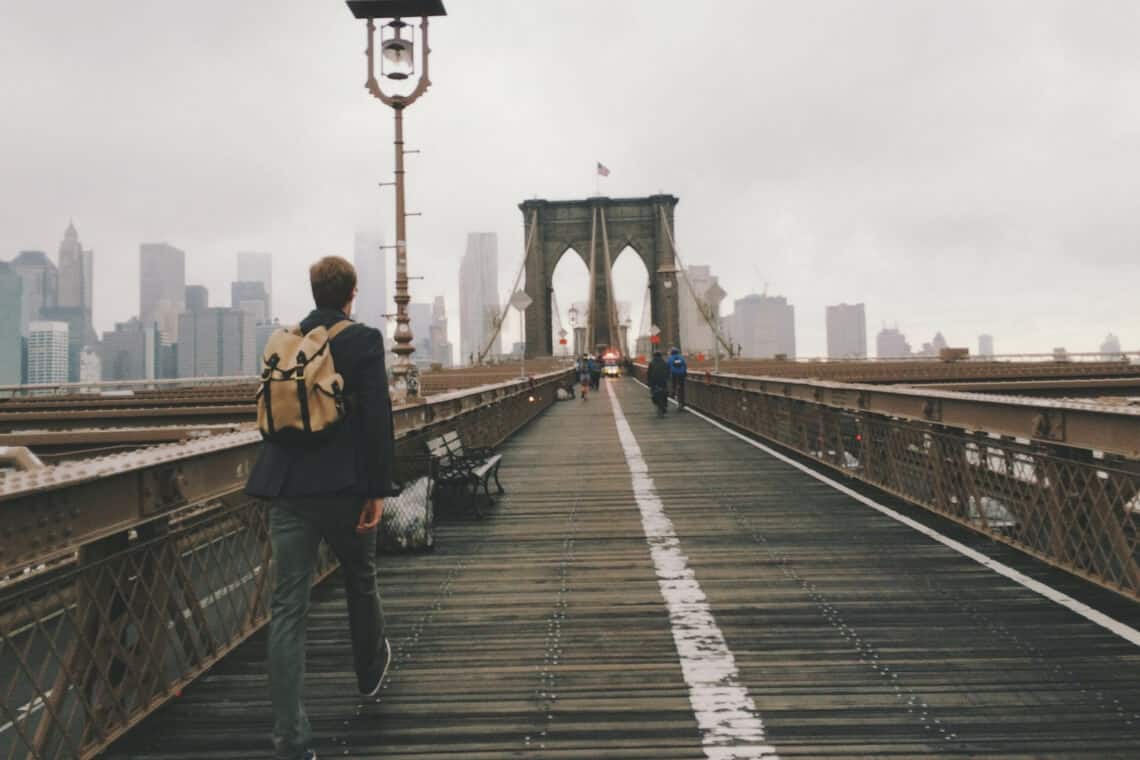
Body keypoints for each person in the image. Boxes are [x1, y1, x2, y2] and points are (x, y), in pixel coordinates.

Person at [246, 256, 398, 760]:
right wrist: (377, 489)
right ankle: (369, 673)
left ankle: (289, 734)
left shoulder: (287, 340)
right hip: (347, 489)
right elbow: (377, 420)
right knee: (361, 578)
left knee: (287, 608)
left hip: (287, 488)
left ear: (314, 292)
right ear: (352, 292)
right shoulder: (362, 340)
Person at [647, 350, 670, 417]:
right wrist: (667, 378)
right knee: (665, 393)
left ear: (654, 356)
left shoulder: (652, 363)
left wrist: (649, 382)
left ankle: (658, 405)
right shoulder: (664, 362)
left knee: (654, 393)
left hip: (654, 381)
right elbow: (668, 371)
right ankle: (664, 406)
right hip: (663, 381)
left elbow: (649, 373)